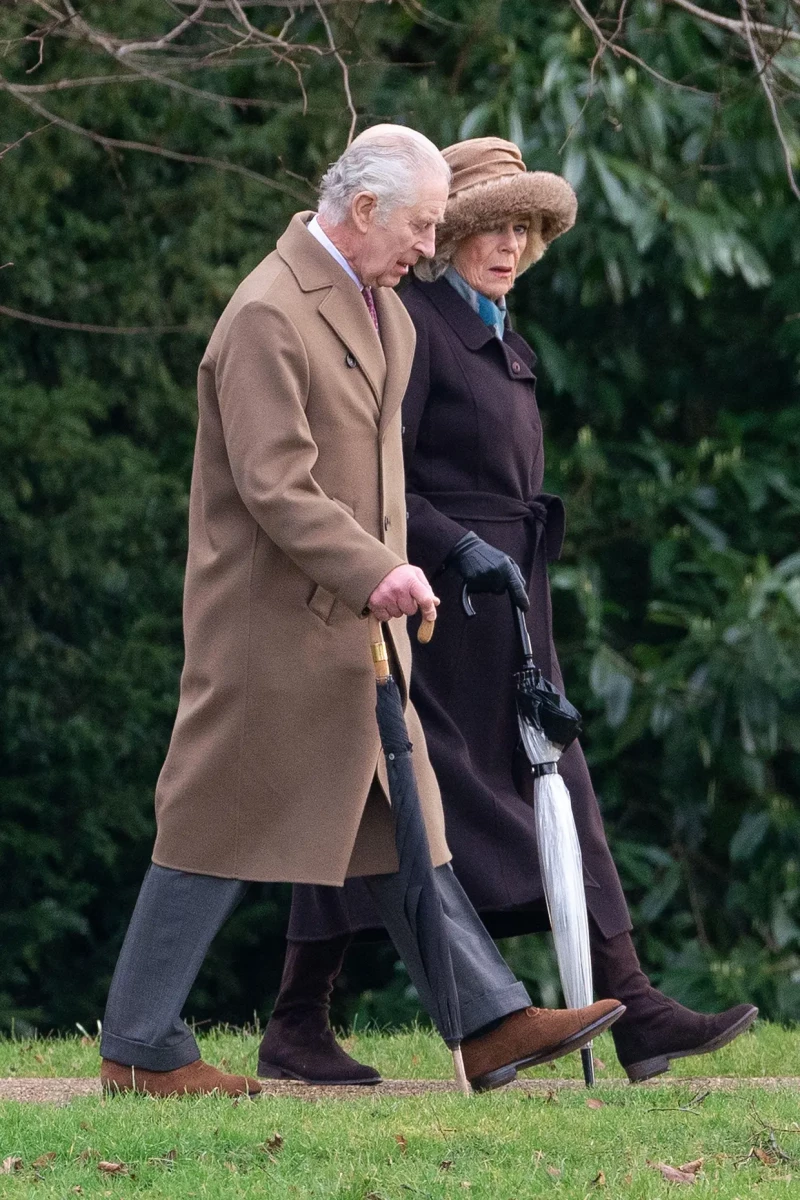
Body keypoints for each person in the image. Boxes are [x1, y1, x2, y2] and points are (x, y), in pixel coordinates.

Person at [98, 127, 624, 1098]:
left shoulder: (379, 307)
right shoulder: (266, 313)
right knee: (209, 830)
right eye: (422, 225)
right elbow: (275, 485)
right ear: (367, 208)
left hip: (357, 635)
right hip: (271, 636)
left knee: (403, 829)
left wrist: (385, 579)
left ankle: (487, 1024)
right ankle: (138, 1048)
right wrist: (376, 569)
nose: (428, 248)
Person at [270, 137, 758, 1087]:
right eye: (488, 226)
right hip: (432, 606)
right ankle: (303, 1017)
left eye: (524, 228)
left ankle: (631, 1001)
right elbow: (382, 477)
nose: (508, 244)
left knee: (556, 789)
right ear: (444, 235)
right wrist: (455, 549)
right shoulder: (412, 324)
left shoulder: (502, 333)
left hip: (510, 600)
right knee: (381, 802)